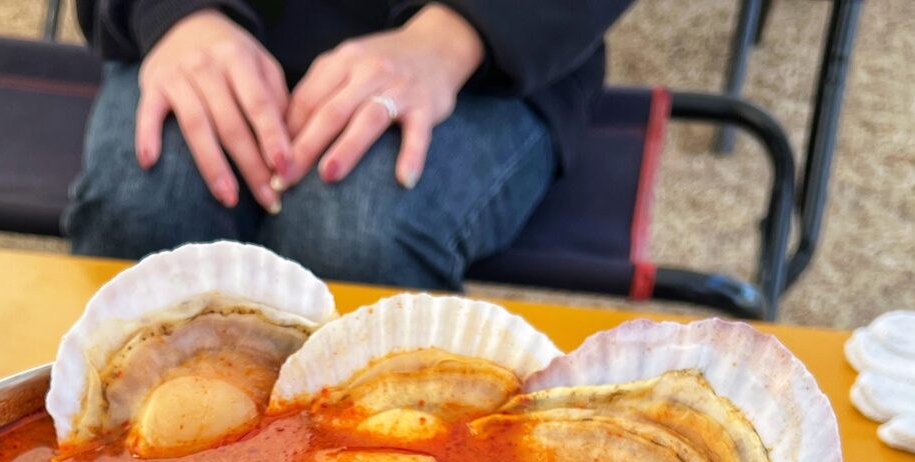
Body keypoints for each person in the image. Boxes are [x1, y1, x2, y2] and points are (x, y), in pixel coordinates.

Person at [68, 2, 631, 290]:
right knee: (141, 212)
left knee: (358, 238)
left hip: (480, 44)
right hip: (195, 29)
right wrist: (175, 15)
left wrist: (451, 38)